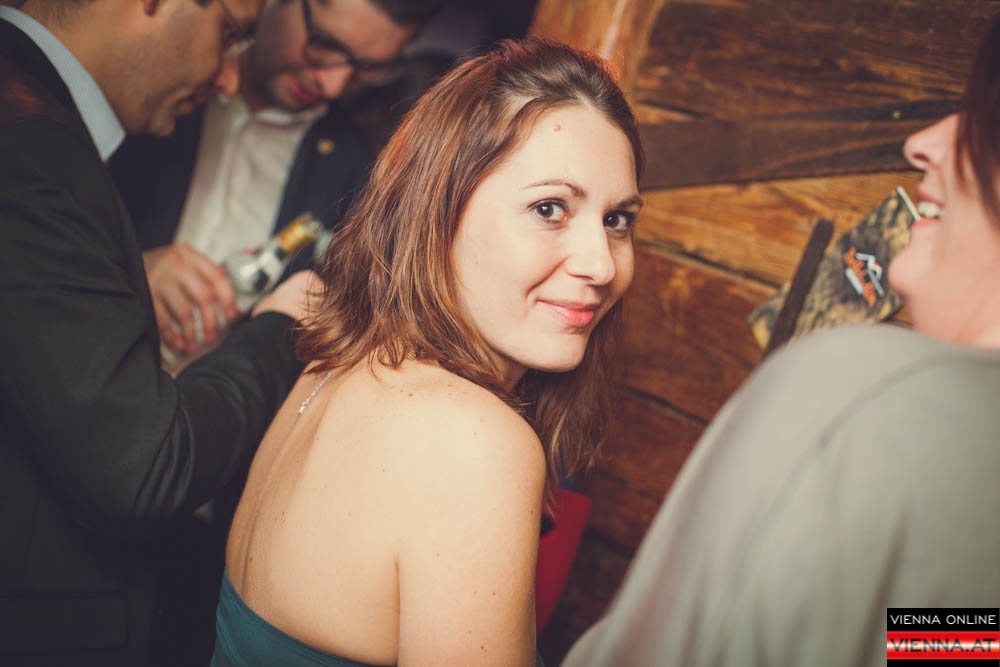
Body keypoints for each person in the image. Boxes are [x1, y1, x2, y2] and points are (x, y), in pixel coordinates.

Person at [560, 17, 1000, 667]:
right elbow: (943, 645)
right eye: (550, 210)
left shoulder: (859, 393)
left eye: (983, 119)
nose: (923, 142)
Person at [210, 37, 644, 666]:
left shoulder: (338, 365)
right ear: (437, 215)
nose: (601, 265)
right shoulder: (475, 443)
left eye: (617, 220)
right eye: (549, 208)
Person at [0, 0, 316, 664]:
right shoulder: (32, 145)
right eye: (229, 33)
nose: (229, 78)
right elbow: (142, 465)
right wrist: (281, 326)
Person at [110, 0, 446, 359]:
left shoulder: (360, 171)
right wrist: (127, 268)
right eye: (326, 44)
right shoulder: (153, 81)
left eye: (367, 67)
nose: (333, 85)